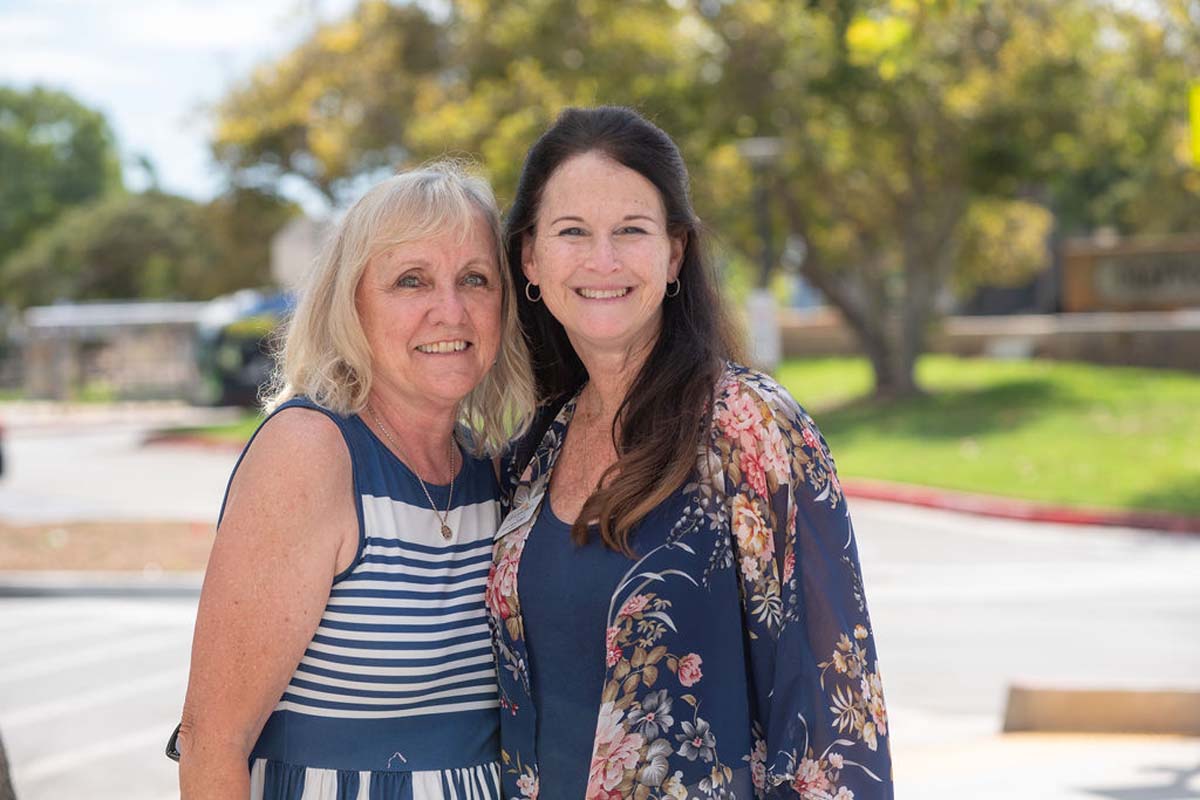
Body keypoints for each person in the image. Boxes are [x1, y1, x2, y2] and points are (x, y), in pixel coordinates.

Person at [486, 107, 894, 799]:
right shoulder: (534, 452)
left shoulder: (747, 428)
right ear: (529, 257)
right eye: (572, 232)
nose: (603, 260)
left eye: (631, 231)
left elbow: (833, 719)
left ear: (675, 253)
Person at [175, 162, 534, 799]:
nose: (448, 310)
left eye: (474, 279)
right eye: (410, 281)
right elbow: (211, 744)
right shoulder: (312, 452)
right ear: (352, 304)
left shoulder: (493, 471)